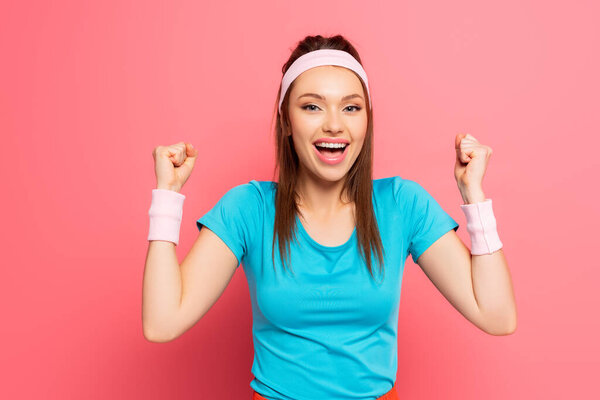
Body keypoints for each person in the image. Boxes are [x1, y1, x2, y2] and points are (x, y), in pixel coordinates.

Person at [143, 34, 517, 400]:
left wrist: (474, 196)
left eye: (351, 107)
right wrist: (167, 197)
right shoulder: (249, 208)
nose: (334, 125)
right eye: (312, 106)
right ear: (286, 120)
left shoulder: (402, 204)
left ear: (366, 120)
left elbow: (497, 317)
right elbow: (162, 323)